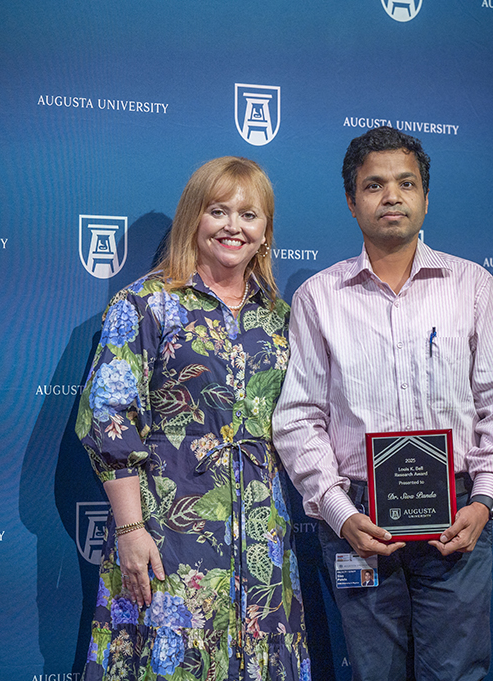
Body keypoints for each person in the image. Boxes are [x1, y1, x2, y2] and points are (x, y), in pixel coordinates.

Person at [272, 126, 493, 681]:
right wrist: (341, 514)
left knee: (457, 675)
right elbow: (298, 419)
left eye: (406, 183)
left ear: (425, 197)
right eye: (374, 185)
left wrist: (482, 502)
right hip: (359, 521)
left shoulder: (472, 286)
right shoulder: (319, 297)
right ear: (351, 201)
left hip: (458, 516)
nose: (391, 196)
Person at [76, 157, 310, 680]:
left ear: (265, 231)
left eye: (249, 215)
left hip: (261, 539)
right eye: (219, 211)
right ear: (193, 219)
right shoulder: (145, 304)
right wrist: (130, 530)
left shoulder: (279, 315)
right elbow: (109, 419)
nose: (234, 226)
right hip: (168, 531)